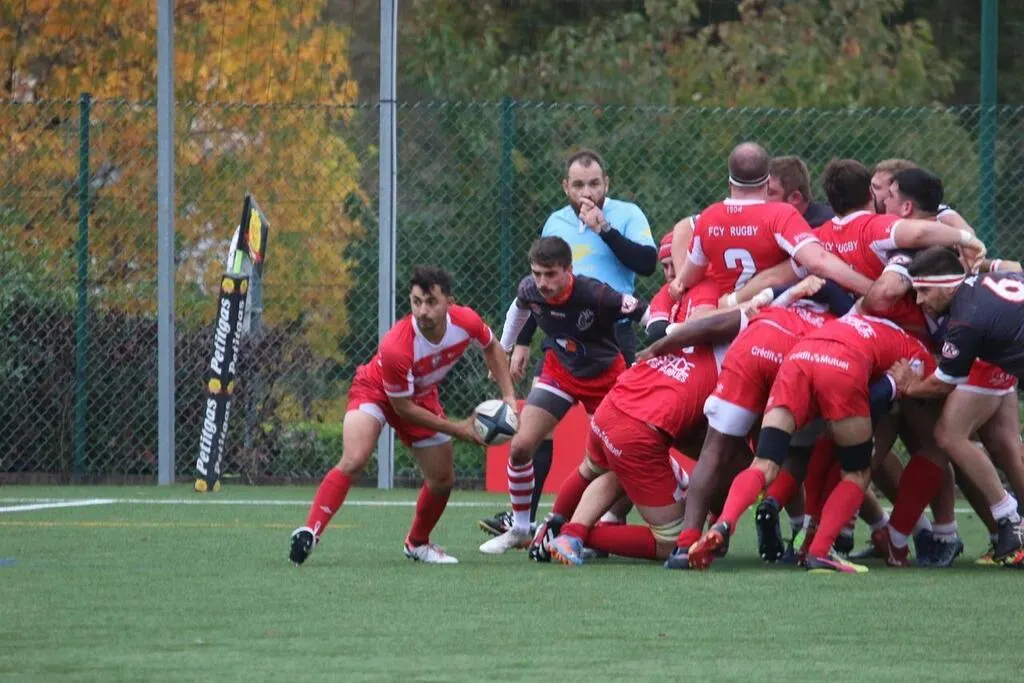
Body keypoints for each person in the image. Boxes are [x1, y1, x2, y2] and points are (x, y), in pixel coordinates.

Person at [478, 148, 657, 536]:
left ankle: (608, 519)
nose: (586, 191)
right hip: (561, 338)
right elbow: (538, 287)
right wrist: (521, 342)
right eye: (578, 184)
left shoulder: (626, 214)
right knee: (533, 432)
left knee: (620, 437)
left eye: (594, 183)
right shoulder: (556, 222)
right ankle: (524, 519)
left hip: (612, 335)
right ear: (565, 186)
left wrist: (603, 228)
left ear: (607, 183)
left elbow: (646, 264)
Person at [288, 266, 517, 566]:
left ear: (450, 301)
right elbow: (402, 409)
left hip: (420, 396)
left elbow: (492, 347)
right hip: (375, 391)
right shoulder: (397, 346)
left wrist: (509, 396)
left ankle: (417, 544)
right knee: (355, 458)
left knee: (442, 480)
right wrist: (457, 429)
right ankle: (310, 531)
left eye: (431, 302)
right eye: (416, 301)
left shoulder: (466, 321)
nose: (422, 310)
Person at [689, 311, 937, 573]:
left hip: (798, 358)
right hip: (841, 366)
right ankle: (820, 551)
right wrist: (887, 391)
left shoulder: (862, 321)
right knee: (856, 473)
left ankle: (723, 523)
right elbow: (887, 396)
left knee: (764, 464)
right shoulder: (918, 355)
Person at [479, 236, 648, 554]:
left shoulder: (595, 293)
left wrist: (670, 337)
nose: (542, 282)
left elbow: (643, 312)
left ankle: (607, 524)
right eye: (537, 273)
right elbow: (518, 310)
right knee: (520, 446)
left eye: (550, 274)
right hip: (559, 371)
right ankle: (520, 528)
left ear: (569, 270)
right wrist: (503, 348)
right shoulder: (529, 289)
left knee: (617, 459)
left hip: (604, 378)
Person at [889, 246, 1024, 566]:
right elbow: (1012, 267)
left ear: (948, 283)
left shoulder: (967, 318)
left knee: (949, 433)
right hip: (1002, 353)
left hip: (994, 357)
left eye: (924, 291)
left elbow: (941, 384)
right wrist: (988, 260)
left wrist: (908, 385)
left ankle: (1010, 519)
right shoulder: (984, 282)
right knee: (1005, 443)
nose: (920, 300)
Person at [669, 142, 874, 303]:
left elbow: (688, 278)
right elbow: (818, 261)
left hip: (726, 321)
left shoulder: (709, 217)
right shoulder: (780, 214)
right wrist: (872, 289)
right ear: (767, 182)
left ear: (730, 182)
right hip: (768, 315)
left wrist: (679, 284)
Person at [767, 155, 834, 227]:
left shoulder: (825, 226)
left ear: (795, 197)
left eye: (770, 193)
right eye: (761, 191)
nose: (762, 199)